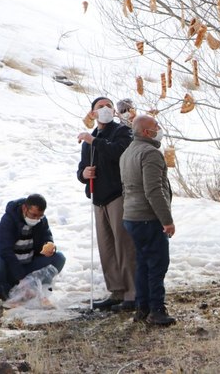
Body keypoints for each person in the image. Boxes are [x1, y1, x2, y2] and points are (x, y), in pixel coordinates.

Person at [77, 97, 137, 312]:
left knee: (124, 245)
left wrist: (95, 142)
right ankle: (116, 290)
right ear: (92, 113)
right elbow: (81, 169)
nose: (104, 109)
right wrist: (84, 174)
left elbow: (119, 152)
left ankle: (133, 293)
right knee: (106, 247)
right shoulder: (89, 139)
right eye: (99, 107)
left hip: (117, 195)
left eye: (108, 106)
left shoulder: (121, 131)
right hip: (98, 197)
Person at [119, 115, 176, 326]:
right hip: (148, 217)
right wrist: (167, 220)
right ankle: (157, 310)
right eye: (155, 126)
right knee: (157, 264)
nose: (159, 128)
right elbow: (154, 190)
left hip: (131, 216)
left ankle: (141, 308)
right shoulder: (150, 153)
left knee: (143, 263)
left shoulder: (127, 152)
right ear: (145, 132)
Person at [0, 194, 65, 301]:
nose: (36, 219)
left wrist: (49, 244)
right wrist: (21, 278)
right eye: (33, 215)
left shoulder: (41, 220)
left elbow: (47, 235)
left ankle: (39, 290)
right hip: (9, 269)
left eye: (39, 216)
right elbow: (5, 251)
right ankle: (6, 292)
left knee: (59, 258)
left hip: (29, 265)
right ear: (24, 208)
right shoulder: (8, 220)